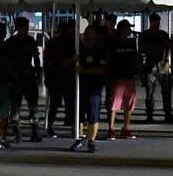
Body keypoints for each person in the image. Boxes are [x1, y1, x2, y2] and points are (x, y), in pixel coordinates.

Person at [70, 25, 108, 153]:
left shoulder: (99, 51)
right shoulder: (78, 49)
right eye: (86, 33)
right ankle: (79, 139)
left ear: (95, 36)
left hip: (93, 89)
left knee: (93, 115)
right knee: (78, 115)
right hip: (78, 88)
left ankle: (91, 140)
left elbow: (102, 69)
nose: (87, 36)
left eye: (90, 33)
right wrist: (73, 60)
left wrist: (85, 70)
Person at [5, 16, 43, 143]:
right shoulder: (10, 43)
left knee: (33, 106)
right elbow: (7, 62)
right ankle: (17, 132)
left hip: (28, 76)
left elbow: (36, 58)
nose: (26, 30)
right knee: (15, 107)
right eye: (24, 27)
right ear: (18, 28)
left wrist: (39, 73)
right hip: (15, 78)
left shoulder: (29, 41)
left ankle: (35, 131)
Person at [106, 21, 141, 139]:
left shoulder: (131, 43)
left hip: (129, 77)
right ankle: (111, 129)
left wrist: (140, 72)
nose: (130, 30)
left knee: (129, 104)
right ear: (122, 29)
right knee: (114, 105)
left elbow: (135, 59)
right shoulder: (113, 43)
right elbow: (108, 59)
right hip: (116, 77)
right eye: (128, 28)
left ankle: (126, 128)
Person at [139, 13, 173, 123]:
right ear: (150, 22)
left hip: (161, 64)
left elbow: (168, 47)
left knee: (166, 90)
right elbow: (142, 49)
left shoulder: (163, 34)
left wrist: (167, 61)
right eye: (154, 22)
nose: (156, 24)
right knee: (149, 91)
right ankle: (149, 115)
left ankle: (168, 114)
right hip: (150, 64)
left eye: (157, 22)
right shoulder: (145, 35)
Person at [43, 21, 77, 137]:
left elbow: (46, 62)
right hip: (63, 78)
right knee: (67, 104)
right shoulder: (69, 43)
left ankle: (51, 126)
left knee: (56, 104)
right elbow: (60, 63)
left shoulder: (53, 42)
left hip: (57, 78)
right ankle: (72, 127)